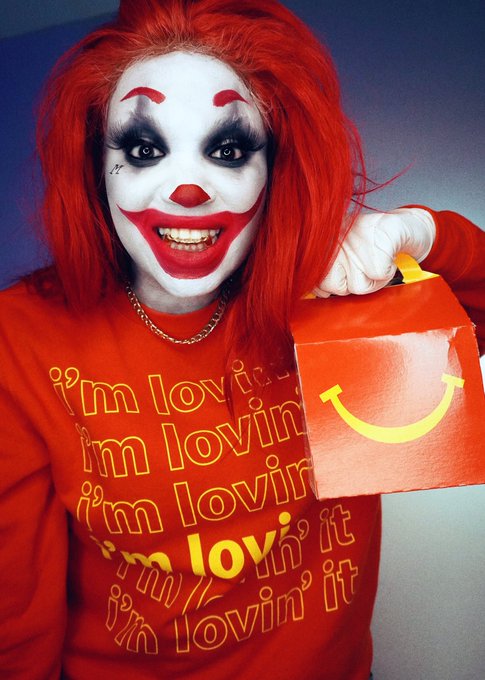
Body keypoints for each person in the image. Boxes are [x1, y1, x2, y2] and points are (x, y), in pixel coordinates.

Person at [0, 1, 483, 678]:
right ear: (93, 164)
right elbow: (15, 621)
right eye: (143, 149)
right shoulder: (20, 337)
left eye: (228, 150)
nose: (187, 189)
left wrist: (422, 233)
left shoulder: (341, 292)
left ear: (275, 164)